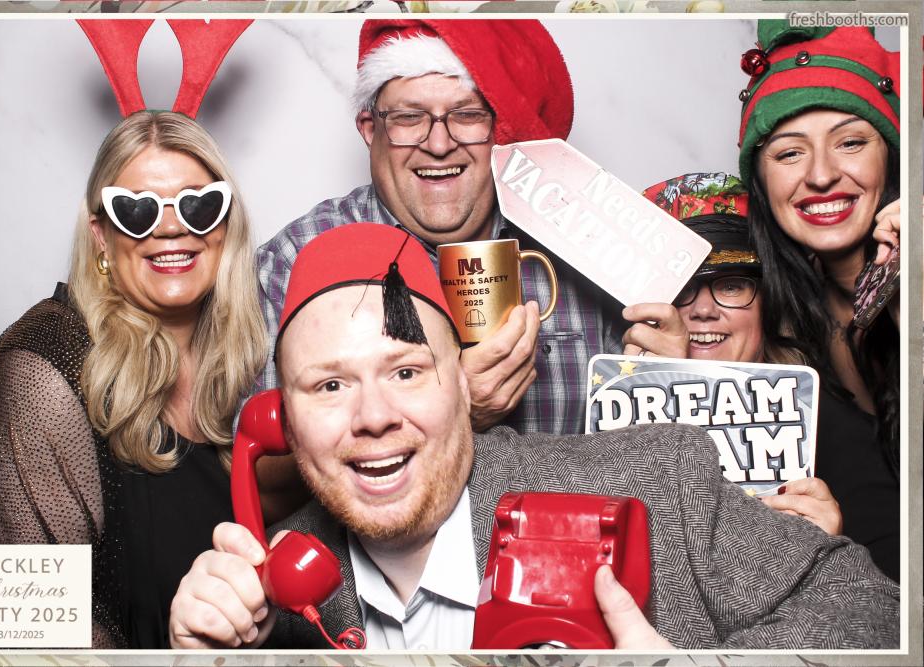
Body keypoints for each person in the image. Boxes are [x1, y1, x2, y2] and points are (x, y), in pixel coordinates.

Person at [169, 223, 898, 651]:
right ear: (282, 422)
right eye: (329, 386)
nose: (373, 416)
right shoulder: (277, 601)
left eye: (407, 371)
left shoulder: (659, 477)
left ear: (464, 384)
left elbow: (874, 610)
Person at [253, 18, 619, 524]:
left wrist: (668, 374)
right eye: (409, 118)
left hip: (563, 550)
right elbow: (261, 486)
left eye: (467, 115)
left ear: (501, 129)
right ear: (370, 130)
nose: (440, 144)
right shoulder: (296, 260)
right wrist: (455, 409)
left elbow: (638, 462)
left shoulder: (585, 245)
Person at [0, 111, 267, 648]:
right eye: (136, 210)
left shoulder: (246, 362)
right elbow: (11, 639)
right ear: (100, 235)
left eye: (198, 205)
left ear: (225, 225)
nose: (171, 228)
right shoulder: (40, 372)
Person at [626, 171, 897, 581]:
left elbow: (897, 602)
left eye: (732, 286)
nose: (703, 311)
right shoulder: (609, 423)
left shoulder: (834, 431)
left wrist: (829, 558)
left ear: (767, 305)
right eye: (680, 287)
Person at [736, 21, 902, 504]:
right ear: (762, 185)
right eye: (790, 153)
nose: (822, 175)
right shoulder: (773, 330)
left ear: (891, 158)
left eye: (850, 143)